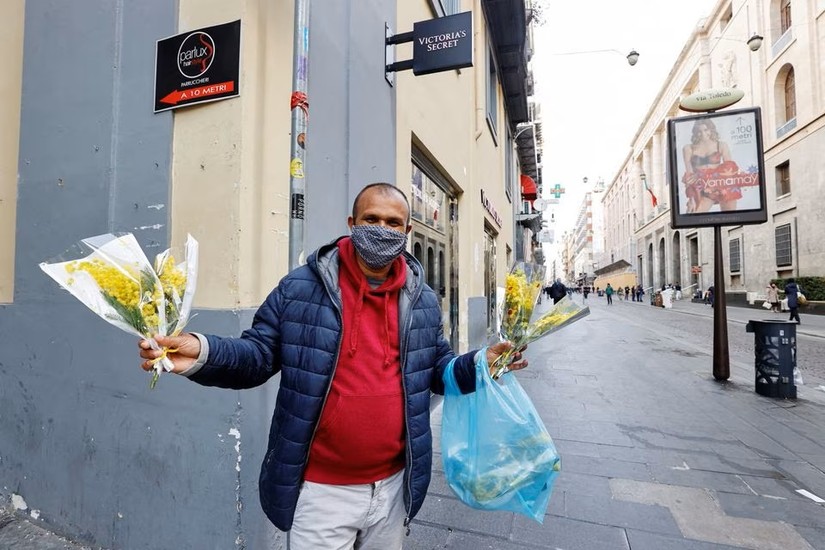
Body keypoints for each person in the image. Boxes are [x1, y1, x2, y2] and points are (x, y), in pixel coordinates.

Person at [137, 183, 526, 549]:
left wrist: (480, 366)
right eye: (371, 220)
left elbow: (438, 368)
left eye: (393, 223)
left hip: (393, 488)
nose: (382, 230)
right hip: (320, 491)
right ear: (351, 225)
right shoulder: (300, 289)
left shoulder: (421, 299)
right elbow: (256, 356)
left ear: (407, 231)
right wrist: (203, 353)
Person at [681, 119, 741, 213]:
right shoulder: (688, 148)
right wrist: (691, 198)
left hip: (721, 184)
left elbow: (730, 169)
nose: (703, 134)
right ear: (695, 132)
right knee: (693, 214)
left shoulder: (721, 145)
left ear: (711, 130)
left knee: (730, 217)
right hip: (701, 186)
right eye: (699, 131)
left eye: (706, 130)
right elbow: (689, 175)